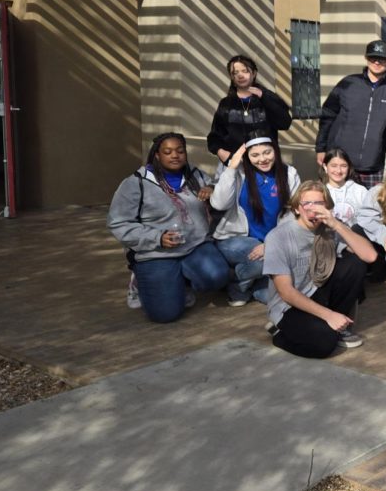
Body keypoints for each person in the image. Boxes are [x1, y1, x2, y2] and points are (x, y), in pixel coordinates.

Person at [108, 132, 229, 323]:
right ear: (157, 155)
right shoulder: (136, 183)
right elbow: (119, 222)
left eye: (180, 151)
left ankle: (183, 281)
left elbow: (219, 190)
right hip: (156, 252)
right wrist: (156, 237)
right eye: (168, 151)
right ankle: (140, 282)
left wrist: (212, 189)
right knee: (165, 314)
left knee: (217, 276)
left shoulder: (195, 175)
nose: (175, 155)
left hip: (194, 245)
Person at [263, 180, 378, 357]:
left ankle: (338, 326)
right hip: (289, 306)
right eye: (307, 203)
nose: (312, 208)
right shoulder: (279, 237)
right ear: (296, 208)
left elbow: (370, 256)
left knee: (355, 263)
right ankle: (280, 334)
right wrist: (329, 315)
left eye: (318, 203)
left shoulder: (330, 228)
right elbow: (286, 292)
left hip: (319, 291)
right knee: (324, 344)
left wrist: (337, 225)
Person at [210, 136, 301, 307]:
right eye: (255, 155)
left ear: (275, 150)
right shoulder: (238, 173)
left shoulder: (288, 173)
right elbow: (219, 203)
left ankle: (252, 284)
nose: (262, 159)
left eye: (267, 152)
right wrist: (231, 167)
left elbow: (293, 213)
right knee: (267, 259)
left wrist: (272, 243)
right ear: (247, 156)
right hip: (235, 240)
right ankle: (236, 283)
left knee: (272, 296)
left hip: (273, 241)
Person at [316, 39, 386, 187]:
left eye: (382, 59)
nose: (377, 62)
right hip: (341, 163)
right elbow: (327, 115)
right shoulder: (348, 83)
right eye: (373, 58)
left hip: (375, 166)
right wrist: (321, 148)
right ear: (366, 58)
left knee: (372, 209)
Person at [207, 54, 293, 164]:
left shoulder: (267, 97)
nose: (240, 75)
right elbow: (214, 136)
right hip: (235, 163)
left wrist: (263, 97)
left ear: (254, 73)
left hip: (264, 163)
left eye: (245, 71)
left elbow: (285, 123)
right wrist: (221, 153)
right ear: (231, 77)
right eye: (235, 73)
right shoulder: (226, 104)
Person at [321, 147, 367, 228]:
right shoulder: (319, 191)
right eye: (334, 166)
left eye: (343, 166)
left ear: (349, 167)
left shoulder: (361, 191)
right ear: (325, 166)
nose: (339, 171)